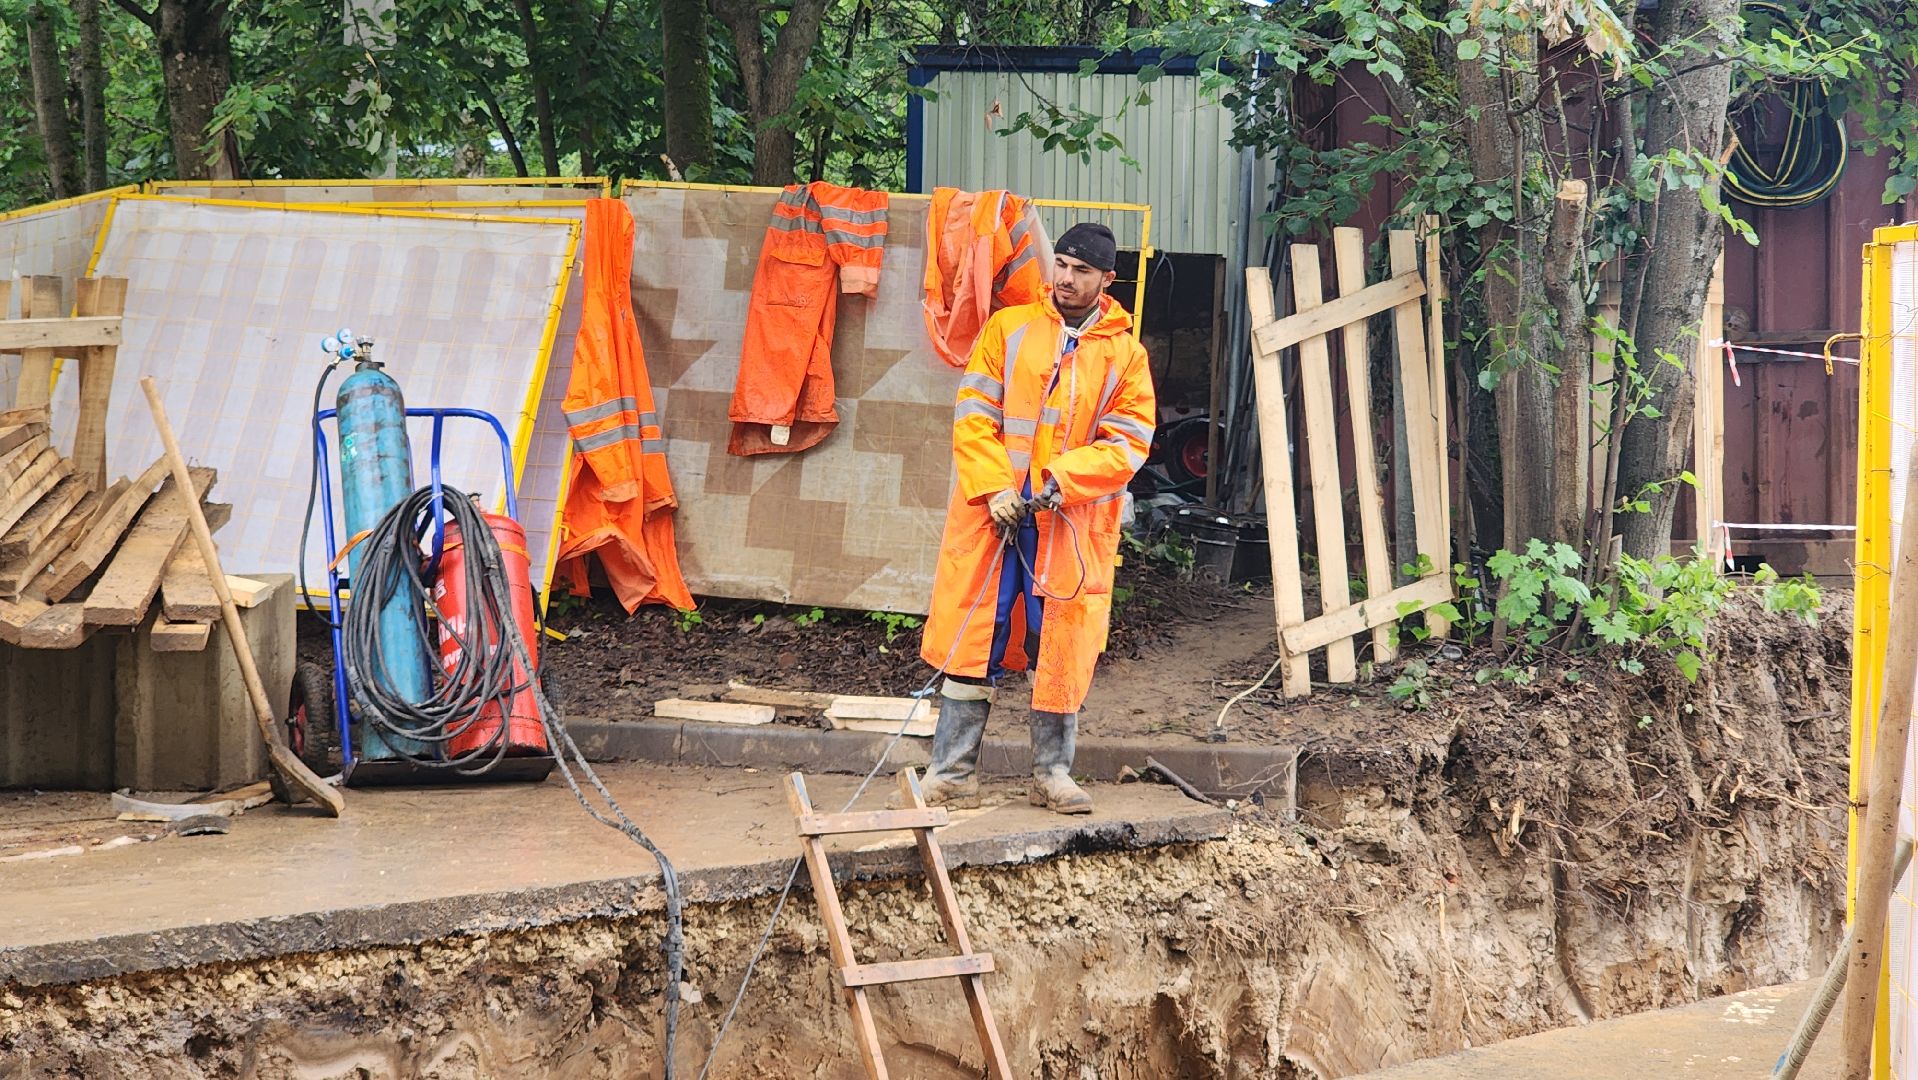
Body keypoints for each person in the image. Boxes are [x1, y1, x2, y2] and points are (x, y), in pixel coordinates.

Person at [909, 222, 1157, 815]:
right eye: (1061, 265)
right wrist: (995, 487)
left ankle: (1052, 774)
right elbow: (974, 413)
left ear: (1107, 279)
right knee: (974, 636)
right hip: (994, 518)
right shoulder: (1009, 328)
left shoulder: (1126, 355)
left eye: (1081, 270)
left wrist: (1059, 481)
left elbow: (1128, 443)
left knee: (1061, 643)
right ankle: (951, 775)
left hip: (1066, 524)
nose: (1066, 278)